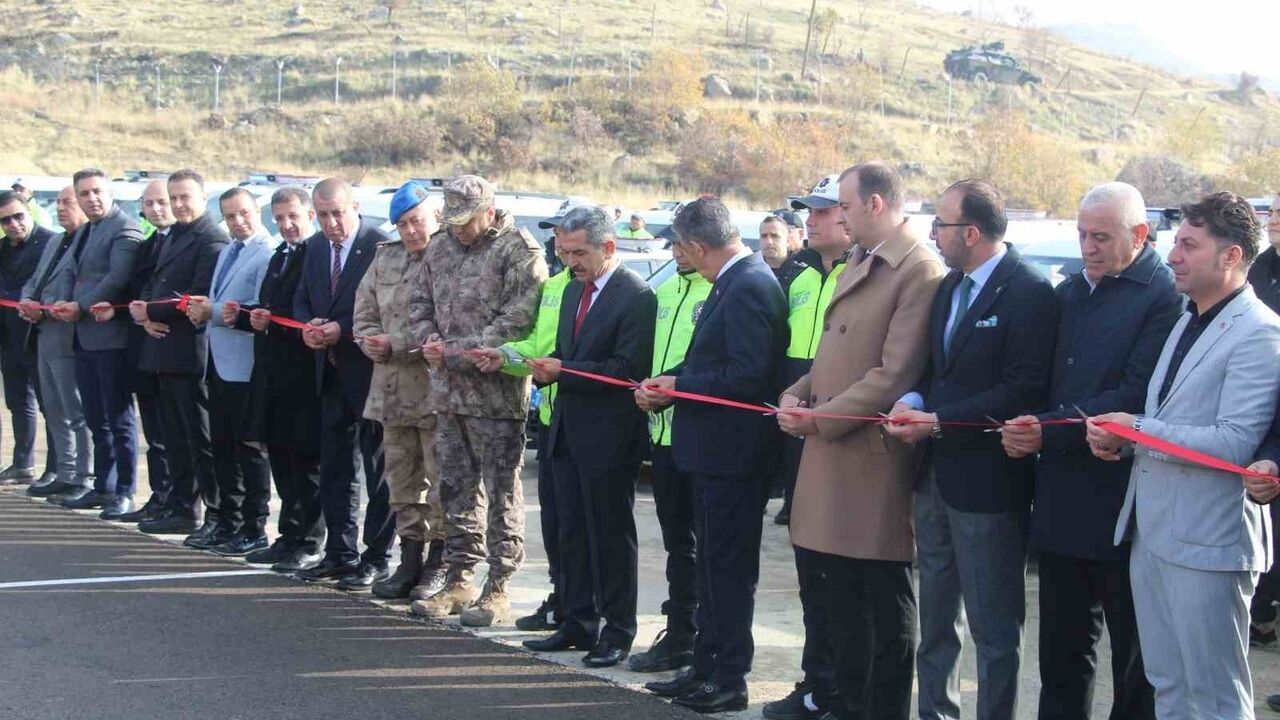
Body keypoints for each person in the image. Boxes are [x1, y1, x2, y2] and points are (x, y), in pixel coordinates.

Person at [1087, 191, 1280, 720]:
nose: (1173, 256)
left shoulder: (1259, 333)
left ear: (1232, 256)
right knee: (1168, 686)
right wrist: (1125, 439)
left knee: (1216, 697)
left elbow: (1234, 443)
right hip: (1155, 533)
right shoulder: (1186, 318)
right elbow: (1172, 421)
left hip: (1210, 544)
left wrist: (1139, 429)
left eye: (1189, 246)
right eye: (1176, 243)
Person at [1001, 182, 1178, 720]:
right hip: (1061, 496)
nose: (1088, 247)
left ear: (1140, 235)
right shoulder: (1071, 293)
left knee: (1133, 658)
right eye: (1081, 235)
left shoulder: (1164, 298)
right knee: (1061, 651)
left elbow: (1136, 393)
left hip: (1123, 500)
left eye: (1101, 236)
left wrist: (1047, 430)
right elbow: (1042, 379)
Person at [884, 178, 1058, 720]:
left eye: (941, 224)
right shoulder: (948, 288)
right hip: (934, 476)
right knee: (937, 619)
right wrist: (913, 399)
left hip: (988, 485)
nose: (933, 233)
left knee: (993, 627)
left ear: (973, 232)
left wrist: (938, 420)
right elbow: (937, 369)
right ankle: (936, 711)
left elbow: (1021, 388)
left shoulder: (1029, 291)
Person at [776, 161, 944, 720]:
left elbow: (894, 373)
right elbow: (831, 355)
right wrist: (798, 392)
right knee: (839, 598)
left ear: (875, 205)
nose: (840, 218)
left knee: (883, 602)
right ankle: (845, 704)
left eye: (845, 207)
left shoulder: (918, 269)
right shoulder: (860, 260)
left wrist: (819, 418)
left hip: (870, 459)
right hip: (833, 447)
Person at [636, 197, 788, 714]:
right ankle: (703, 666)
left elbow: (748, 376)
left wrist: (679, 385)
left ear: (698, 245)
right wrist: (671, 379)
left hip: (734, 456)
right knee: (710, 568)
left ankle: (727, 677)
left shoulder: (749, 284)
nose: (683, 256)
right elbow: (710, 357)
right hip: (710, 453)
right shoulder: (733, 280)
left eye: (682, 248)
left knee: (727, 569)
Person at [518, 206, 656, 668]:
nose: (570, 261)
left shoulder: (634, 296)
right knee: (570, 532)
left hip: (609, 437)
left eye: (579, 252)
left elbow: (625, 371)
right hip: (565, 432)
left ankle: (617, 629)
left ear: (608, 248)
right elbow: (567, 352)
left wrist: (565, 370)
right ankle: (576, 622)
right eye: (563, 251)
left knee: (609, 536)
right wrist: (545, 370)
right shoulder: (574, 290)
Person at [409, 174, 547, 627]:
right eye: (451, 220)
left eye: (466, 220)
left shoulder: (520, 252)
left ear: (490, 210)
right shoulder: (442, 246)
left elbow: (517, 322)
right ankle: (459, 577)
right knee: (455, 490)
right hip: (448, 395)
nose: (458, 229)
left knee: (502, 494)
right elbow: (419, 299)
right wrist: (427, 334)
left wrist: (453, 352)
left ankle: (499, 585)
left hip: (496, 396)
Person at [760, 171, 855, 720]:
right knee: (808, 565)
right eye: (809, 212)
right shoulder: (798, 276)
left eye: (823, 211)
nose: (811, 221)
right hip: (798, 428)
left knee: (839, 570)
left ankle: (838, 688)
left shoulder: (865, 273)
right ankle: (815, 680)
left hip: (842, 431)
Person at [481, 198, 583, 632]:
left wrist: (516, 358)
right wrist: (504, 356)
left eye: (567, 234)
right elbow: (539, 347)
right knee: (558, 523)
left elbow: (566, 356)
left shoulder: (591, 286)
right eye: (556, 234)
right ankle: (561, 597)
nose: (559, 244)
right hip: (553, 413)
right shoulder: (557, 285)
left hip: (585, 415)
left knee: (581, 526)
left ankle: (580, 605)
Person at [292, 178, 394, 591]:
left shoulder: (380, 245)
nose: (331, 223)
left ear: (355, 206)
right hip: (329, 371)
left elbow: (389, 309)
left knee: (378, 470)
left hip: (370, 373)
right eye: (322, 215)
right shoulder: (316, 247)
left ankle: (377, 556)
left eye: (338, 212)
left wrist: (343, 329)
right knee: (335, 467)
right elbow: (303, 297)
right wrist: (309, 325)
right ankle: (339, 550)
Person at [351, 182, 448, 599]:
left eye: (416, 222)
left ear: (436, 219)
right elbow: (364, 312)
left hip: (436, 393)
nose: (409, 231)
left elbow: (449, 323)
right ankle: (409, 560)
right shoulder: (385, 259)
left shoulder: (451, 261)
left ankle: (439, 565)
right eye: (402, 224)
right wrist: (369, 339)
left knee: (443, 484)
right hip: (391, 394)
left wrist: (400, 344)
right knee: (402, 484)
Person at [626, 225, 711, 674]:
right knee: (677, 543)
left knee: (698, 546)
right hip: (660, 432)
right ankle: (678, 632)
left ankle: (695, 634)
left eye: (684, 244)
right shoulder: (663, 291)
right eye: (672, 245)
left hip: (696, 436)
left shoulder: (716, 291)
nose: (677, 253)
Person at [134, 170, 227, 537]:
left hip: (192, 353)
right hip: (166, 351)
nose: (178, 204)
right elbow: (156, 284)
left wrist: (150, 311)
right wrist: (145, 315)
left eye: (185, 197)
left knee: (201, 440)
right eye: (174, 197)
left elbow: (198, 294)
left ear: (203, 198)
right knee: (175, 437)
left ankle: (215, 513)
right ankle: (182, 507)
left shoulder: (210, 239)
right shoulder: (176, 235)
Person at [238, 187, 325, 573]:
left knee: (306, 463)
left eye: (294, 217)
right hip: (273, 371)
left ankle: (309, 540)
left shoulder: (317, 255)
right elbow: (270, 306)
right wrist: (256, 315)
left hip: (305, 373)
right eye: (280, 218)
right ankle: (288, 534)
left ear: (309, 215)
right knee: (281, 459)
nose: (287, 225)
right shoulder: (280, 255)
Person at [48, 168, 142, 518]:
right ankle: (102, 485)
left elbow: (117, 277)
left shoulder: (125, 228)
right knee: (95, 418)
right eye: (84, 193)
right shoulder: (86, 230)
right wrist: (61, 301)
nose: (92, 198)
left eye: (97, 191)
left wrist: (80, 306)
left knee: (118, 419)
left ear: (110, 191)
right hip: (83, 338)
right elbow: (72, 273)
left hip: (111, 338)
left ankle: (124, 490)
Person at [188, 188, 274, 555]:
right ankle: (230, 521)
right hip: (217, 362)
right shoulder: (227, 250)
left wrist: (214, 309)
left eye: (244, 213)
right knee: (222, 448)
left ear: (257, 211)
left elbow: (259, 308)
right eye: (230, 216)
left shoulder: (266, 252)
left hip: (246, 364)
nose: (238, 222)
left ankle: (255, 526)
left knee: (250, 449)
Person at [21, 187, 93, 500]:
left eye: (68, 202)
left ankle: (84, 476)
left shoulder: (86, 241)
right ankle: (65, 471)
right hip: (43, 333)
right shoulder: (55, 240)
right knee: (53, 407)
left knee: (75, 409)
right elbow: (37, 279)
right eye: (59, 203)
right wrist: (27, 299)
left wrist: (47, 304)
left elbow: (77, 286)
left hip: (68, 333)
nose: (61, 208)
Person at [115, 180, 173, 523]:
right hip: (143, 348)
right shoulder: (149, 244)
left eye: (162, 202)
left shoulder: (184, 242)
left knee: (173, 433)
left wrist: (152, 315)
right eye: (149, 204)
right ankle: (160, 494)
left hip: (170, 345)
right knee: (154, 433)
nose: (157, 209)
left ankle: (176, 500)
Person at [0, 190, 56, 487]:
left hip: (40, 334)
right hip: (9, 339)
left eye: (18, 216)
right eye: (5, 220)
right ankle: (23, 463)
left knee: (50, 404)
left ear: (29, 212)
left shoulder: (50, 242)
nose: (13, 224)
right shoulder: (2, 249)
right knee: (18, 401)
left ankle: (56, 466)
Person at [1246, 191, 1280, 648]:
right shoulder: (1259, 269)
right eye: (1275, 211)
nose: (1276, 220)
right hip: (1261, 424)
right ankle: (1263, 616)